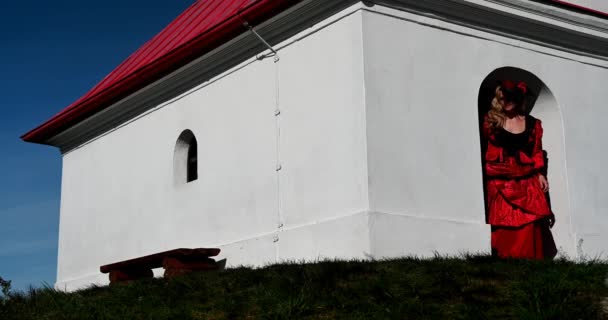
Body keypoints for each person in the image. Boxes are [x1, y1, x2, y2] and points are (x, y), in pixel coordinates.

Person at [482, 80, 557, 259]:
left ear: (520, 99)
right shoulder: (491, 121)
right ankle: (505, 262)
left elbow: (536, 151)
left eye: (511, 98)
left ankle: (530, 262)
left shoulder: (533, 124)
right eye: (503, 98)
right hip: (501, 179)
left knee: (530, 223)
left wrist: (540, 173)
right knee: (504, 222)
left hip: (526, 179)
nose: (506, 102)